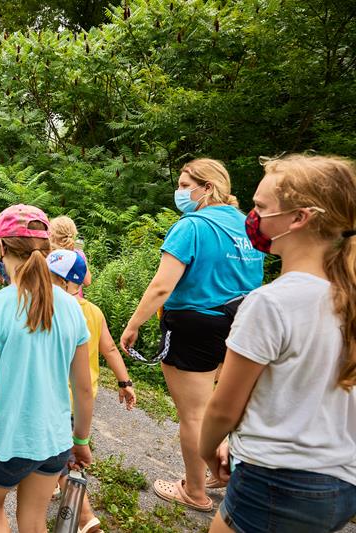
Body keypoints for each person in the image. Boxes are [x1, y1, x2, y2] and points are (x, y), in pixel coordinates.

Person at [199, 155, 356, 532]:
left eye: (260, 207)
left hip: (276, 480)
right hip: (340, 484)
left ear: (298, 218)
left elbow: (223, 407)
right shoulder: (346, 297)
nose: (252, 218)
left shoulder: (271, 302)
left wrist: (208, 452)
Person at [119, 159, 264, 512]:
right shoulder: (248, 226)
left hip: (195, 325)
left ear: (208, 188)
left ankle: (195, 491)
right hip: (241, 324)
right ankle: (219, 470)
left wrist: (133, 324)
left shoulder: (191, 226)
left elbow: (161, 286)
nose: (180, 192)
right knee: (223, 405)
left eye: (186, 185)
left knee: (195, 414)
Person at [0, 205, 94, 533]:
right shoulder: (73, 308)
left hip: (7, 445)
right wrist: (80, 439)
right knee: (33, 522)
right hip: (55, 442)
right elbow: (84, 388)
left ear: (1, 248)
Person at [47, 248, 135, 533]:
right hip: (80, 401)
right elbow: (109, 348)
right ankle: (58, 490)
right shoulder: (93, 312)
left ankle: (84, 516)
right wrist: (125, 382)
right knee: (67, 449)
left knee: (61, 456)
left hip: (54, 399)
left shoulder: (47, 309)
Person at [50, 216, 93, 287]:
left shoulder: (48, 253)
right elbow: (87, 282)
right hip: (73, 296)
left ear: (52, 234)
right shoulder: (78, 253)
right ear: (74, 232)